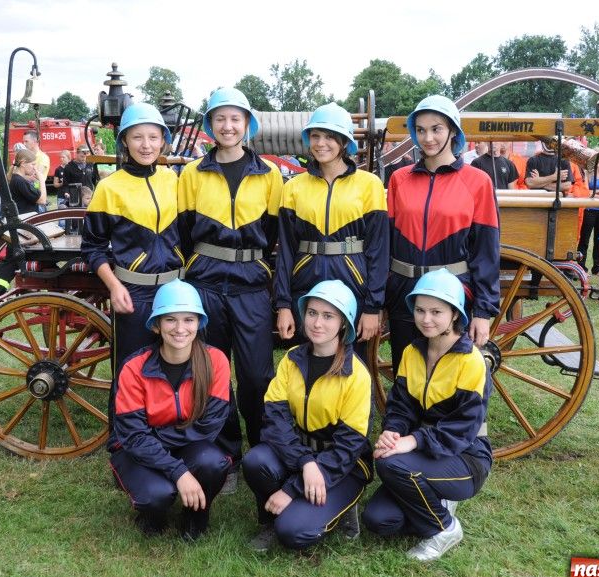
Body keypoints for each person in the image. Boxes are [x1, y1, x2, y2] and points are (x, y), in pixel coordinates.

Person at [177, 87, 283, 490]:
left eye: (235, 118)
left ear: (247, 124)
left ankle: (262, 449)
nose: (228, 126)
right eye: (220, 118)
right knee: (213, 372)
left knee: (257, 375)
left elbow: (274, 234)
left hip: (251, 285)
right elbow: (183, 232)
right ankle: (227, 454)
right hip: (205, 282)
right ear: (210, 126)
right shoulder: (192, 174)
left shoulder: (270, 175)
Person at [362, 269, 491, 562]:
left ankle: (444, 528)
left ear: (455, 314)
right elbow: (401, 405)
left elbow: (462, 428)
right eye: (420, 310)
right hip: (425, 450)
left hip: (466, 457)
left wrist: (412, 441)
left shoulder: (472, 362)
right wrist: (393, 431)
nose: (426, 319)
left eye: (437, 311)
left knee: (392, 465)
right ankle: (438, 499)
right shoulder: (411, 352)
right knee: (379, 519)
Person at [81, 102, 184, 453]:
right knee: (130, 369)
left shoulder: (175, 181)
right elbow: (93, 246)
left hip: (173, 290)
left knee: (175, 365)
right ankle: (123, 444)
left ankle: (168, 436)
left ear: (163, 141)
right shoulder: (110, 187)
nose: (146, 145)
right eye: (137, 137)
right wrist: (114, 285)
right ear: (124, 141)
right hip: (134, 291)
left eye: (153, 137)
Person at [243, 280, 373, 551]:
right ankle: (271, 519)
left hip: (343, 464)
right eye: (312, 313)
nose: (317, 323)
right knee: (256, 460)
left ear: (343, 324)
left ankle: (342, 506)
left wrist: (292, 488)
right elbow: (274, 421)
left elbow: (349, 446)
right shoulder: (291, 360)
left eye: (328, 316)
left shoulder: (356, 375)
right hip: (302, 456)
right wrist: (305, 462)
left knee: (294, 533)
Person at [385, 95, 500, 374]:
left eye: (436, 129)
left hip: (452, 293)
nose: (428, 138)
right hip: (405, 292)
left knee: (447, 373)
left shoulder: (478, 182)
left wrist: (483, 312)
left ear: (452, 131)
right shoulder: (399, 179)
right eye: (421, 130)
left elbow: (486, 250)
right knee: (406, 370)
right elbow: (386, 243)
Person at [109, 279, 232, 541]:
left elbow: (209, 425)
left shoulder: (216, 362)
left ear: (199, 323)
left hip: (187, 443)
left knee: (213, 463)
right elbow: (132, 436)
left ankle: (196, 514)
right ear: (156, 325)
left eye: (189, 320)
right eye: (170, 320)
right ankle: (153, 514)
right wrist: (179, 471)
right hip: (136, 449)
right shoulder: (133, 368)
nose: (180, 329)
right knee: (158, 495)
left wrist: (159, 441)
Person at [275, 102, 388, 363]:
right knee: (309, 361)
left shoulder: (368, 184)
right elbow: (286, 252)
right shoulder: (293, 187)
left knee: (353, 364)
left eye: (329, 136)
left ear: (344, 142)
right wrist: (283, 305)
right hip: (305, 288)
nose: (321, 143)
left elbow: (379, 251)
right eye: (315, 136)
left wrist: (373, 307)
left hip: (353, 288)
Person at [8, 149, 47, 215]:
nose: (35, 168)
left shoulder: (16, 178)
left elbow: (38, 195)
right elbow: (42, 200)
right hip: (26, 221)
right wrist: (42, 180)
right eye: (33, 164)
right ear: (23, 163)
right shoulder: (20, 181)